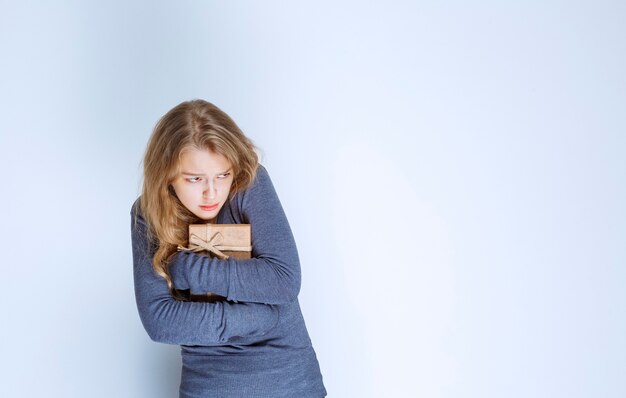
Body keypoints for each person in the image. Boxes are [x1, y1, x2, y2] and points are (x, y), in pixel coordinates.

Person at [130, 99, 327, 398]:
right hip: (208, 387)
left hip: (289, 384)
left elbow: (284, 279)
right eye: (195, 179)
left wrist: (190, 270)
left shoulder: (249, 183)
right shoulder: (148, 213)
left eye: (222, 175)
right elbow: (160, 321)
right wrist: (259, 319)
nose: (212, 192)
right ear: (165, 175)